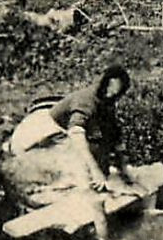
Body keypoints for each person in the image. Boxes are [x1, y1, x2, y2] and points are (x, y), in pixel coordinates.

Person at [7, 65, 133, 202]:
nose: (112, 94)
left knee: (97, 156)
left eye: (116, 92)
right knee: (79, 173)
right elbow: (77, 136)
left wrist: (123, 169)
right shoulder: (86, 101)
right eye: (110, 89)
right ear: (104, 84)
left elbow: (112, 135)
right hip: (36, 134)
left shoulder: (106, 104)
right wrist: (96, 171)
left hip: (60, 132)